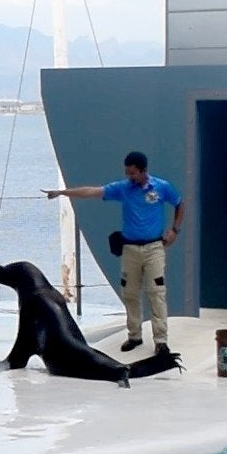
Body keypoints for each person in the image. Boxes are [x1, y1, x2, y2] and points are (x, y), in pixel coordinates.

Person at [43, 150, 185, 356]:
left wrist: (174, 230)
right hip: (130, 249)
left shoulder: (161, 187)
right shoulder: (123, 189)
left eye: (133, 174)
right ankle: (134, 335)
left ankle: (161, 340)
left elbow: (179, 204)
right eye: (127, 173)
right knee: (130, 293)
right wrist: (63, 193)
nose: (130, 177)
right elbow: (92, 191)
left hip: (154, 247)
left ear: (143, 171)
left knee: (156, 293)